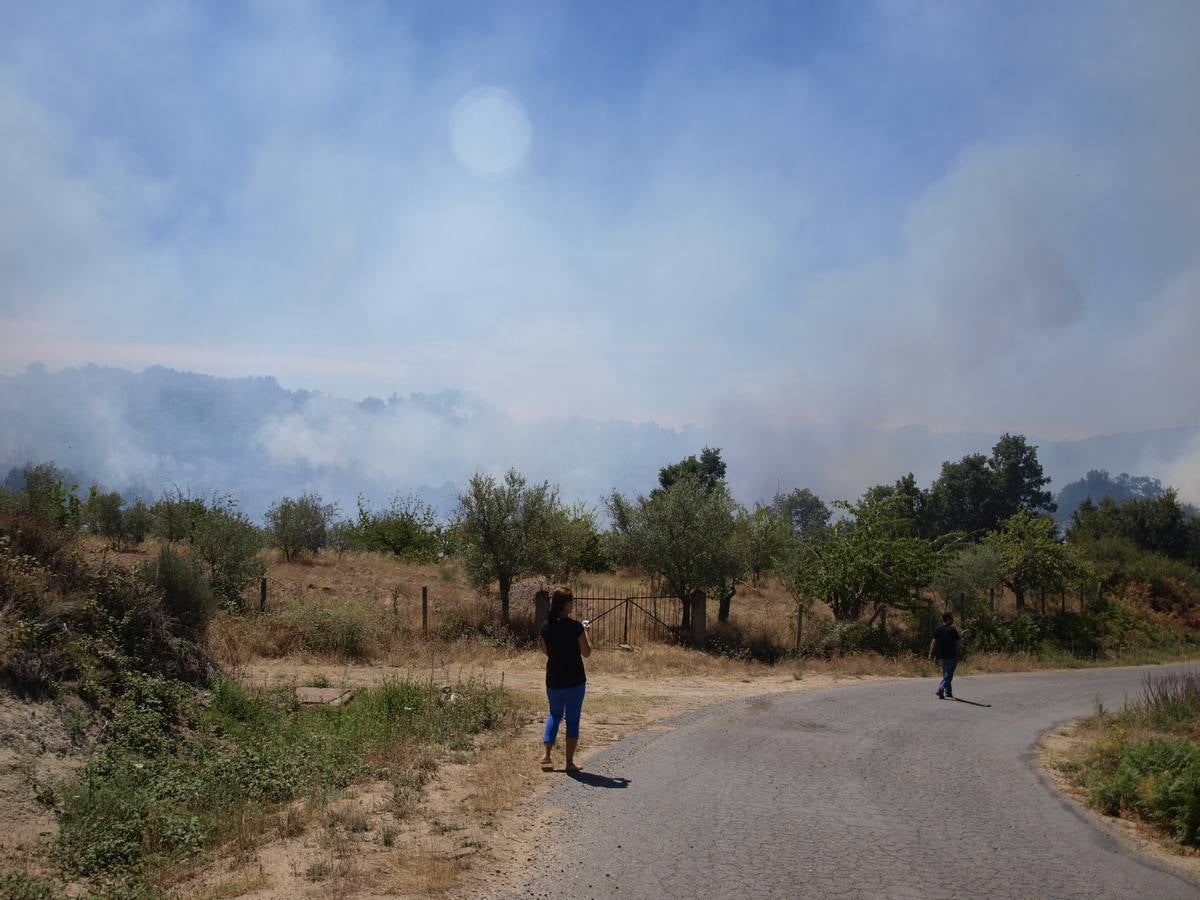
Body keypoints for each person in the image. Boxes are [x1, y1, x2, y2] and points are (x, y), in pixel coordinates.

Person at [538, 586, 591, 772]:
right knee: (573, 719)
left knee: (554, 714)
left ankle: (547, 755)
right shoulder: (576, 627)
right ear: (566, 604)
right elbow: (587, 652)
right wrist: (585, 632)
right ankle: (569, 762)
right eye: (571, 602)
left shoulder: (545, 627)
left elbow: (546, 652)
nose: (573, 605)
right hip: (575, 680)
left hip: (553, 679)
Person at [929, 611, 960, 699]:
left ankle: (948, 692)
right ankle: (941, 689)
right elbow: (958, 643)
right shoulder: (953, 630)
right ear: (948, 619)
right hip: (951, 656)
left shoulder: (938, 629)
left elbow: (934, 642)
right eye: (951, 618)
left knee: (946, 675)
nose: (953, 620)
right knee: (948, 675)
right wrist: (959, 654)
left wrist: (931, 653)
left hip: (941, 656)